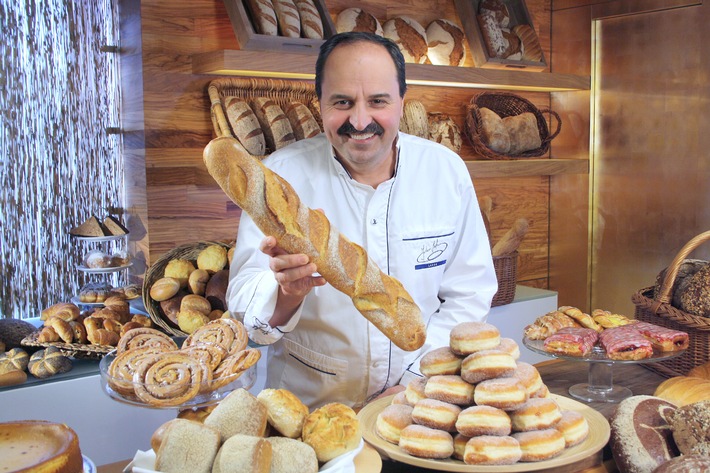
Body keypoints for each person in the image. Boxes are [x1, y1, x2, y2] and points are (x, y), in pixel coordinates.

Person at [226, 31, 497, 410]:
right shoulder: (278, 179)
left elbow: (470, 294)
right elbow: (242, 308)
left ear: (402, 102)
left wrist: (417, 380)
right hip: (308, 410)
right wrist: (287, 295)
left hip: (421, 405)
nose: (359, 119)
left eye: (377, 101)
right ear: (319, 103)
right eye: (342, 101)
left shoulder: (445, 171)